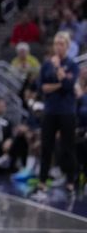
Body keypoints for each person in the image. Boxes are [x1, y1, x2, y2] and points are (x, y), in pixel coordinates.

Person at [34, 31, 79, 199]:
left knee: (68, 147)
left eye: (61, 44)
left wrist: (59, 70)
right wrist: (58, 84)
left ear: (67, 46)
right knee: (46, 147)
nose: (58, 47)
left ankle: (70, 181)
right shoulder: (46, 65)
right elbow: (41, 87)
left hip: (67, 111)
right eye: (56, 44)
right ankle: (42, 182)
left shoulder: (72, 65)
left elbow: (68, 85)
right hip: (50, 110)